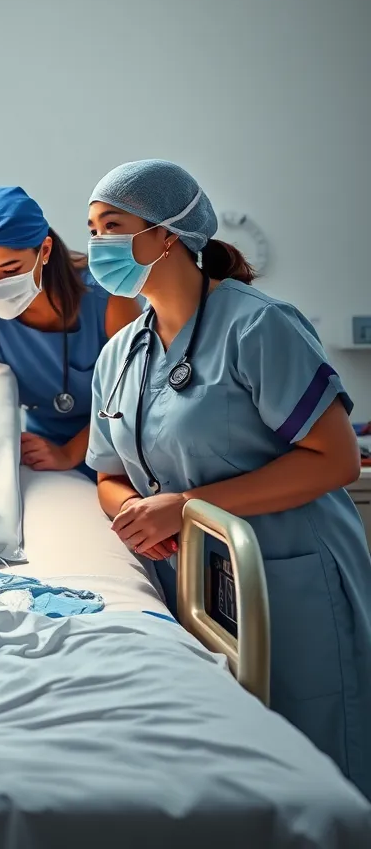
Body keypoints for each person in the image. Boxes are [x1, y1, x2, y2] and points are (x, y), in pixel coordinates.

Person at [85, 158, 371, 797]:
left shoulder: (258, 324)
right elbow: (107, 473)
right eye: (92, 229)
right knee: (235, 777)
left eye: (113, 226)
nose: (98, 246)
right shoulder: (119, 354)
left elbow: (336, 458)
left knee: (323, 767)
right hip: (190, 579)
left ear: (166, 234)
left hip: (289, 572)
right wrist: (133, 512)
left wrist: (185, 506)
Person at [0, 186, 139, 478]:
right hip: (40, 451)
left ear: (45, 251)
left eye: (10, 270)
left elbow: (135, 396)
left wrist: (69, 454)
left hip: (123, 443)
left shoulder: (108, 299)